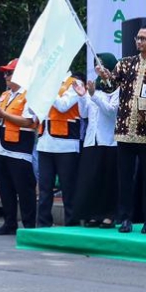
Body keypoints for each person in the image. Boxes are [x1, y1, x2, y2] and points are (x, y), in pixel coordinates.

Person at [95, 22, 146, 234]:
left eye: (143, 38)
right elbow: (111, 87)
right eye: (137, 38)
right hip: (124, 129)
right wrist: (105, 77)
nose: (139, 41)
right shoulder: (124, 64)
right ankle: (125, 218)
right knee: (125, 176)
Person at [0, 59, 41, 235]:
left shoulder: (29, 95)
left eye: (10, 73)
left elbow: (29, 122)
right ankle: (10, 223)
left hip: (19, 151)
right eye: (5, 73)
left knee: (24, 191)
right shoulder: (5, 95)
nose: (6, 76)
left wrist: (2, 113)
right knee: (5, 189)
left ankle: (29, 225)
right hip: (1, 149)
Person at [74, 53, 120, 228]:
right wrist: (82, 96)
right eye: (95, 64)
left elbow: (111, 111)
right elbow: (84, 114)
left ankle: (109, 215)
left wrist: (93, 95)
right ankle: (93, 214)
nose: (98, 68)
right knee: (91, 178)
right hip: (91, 140)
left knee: (107, 179)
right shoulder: (95, 86)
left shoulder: (116, 87)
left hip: (108, 140)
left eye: (101, 64)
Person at [37, 74, 84, 228]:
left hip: (66, 145)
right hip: (45, 143)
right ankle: (43, 224)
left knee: (68, 188)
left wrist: (47, 91)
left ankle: (72, 224)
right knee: (44, 188)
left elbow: (63, 105)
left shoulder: (75, 83)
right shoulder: (47, 82)